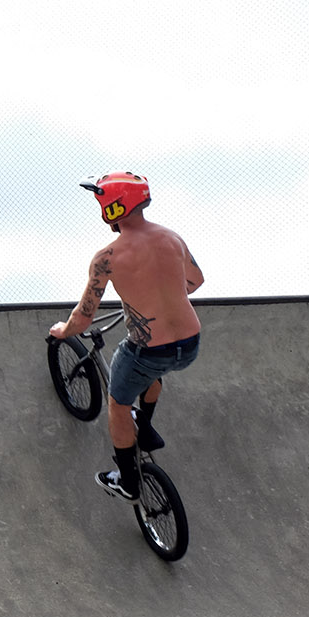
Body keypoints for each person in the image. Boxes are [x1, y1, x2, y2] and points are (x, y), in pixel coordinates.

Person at [48, 171, 204, 500]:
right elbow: (195, 281)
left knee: (118, 404)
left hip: (148, 350)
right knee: (153, 372)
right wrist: (161, 297)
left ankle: (128, 482)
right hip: (190, 344)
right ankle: (144, 424)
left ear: (113, 209)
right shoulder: (172, 239)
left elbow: (84, 316)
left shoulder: (107, 258)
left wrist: (63, 331)